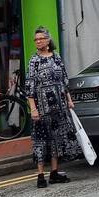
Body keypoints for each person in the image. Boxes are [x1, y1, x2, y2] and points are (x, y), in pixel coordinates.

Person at [25, 27, 77, 188]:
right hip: (42, 107)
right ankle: (41, 175)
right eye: (36, 39)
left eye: (41, 38)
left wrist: (69, 100)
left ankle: (54, 173)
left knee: (56, 139)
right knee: (41, 140)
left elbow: (64, 81)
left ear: (48, 41)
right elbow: (30, 86)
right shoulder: (34, 60)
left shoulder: (56, 57)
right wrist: (33, 108)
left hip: (59, 105)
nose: (38, 41)